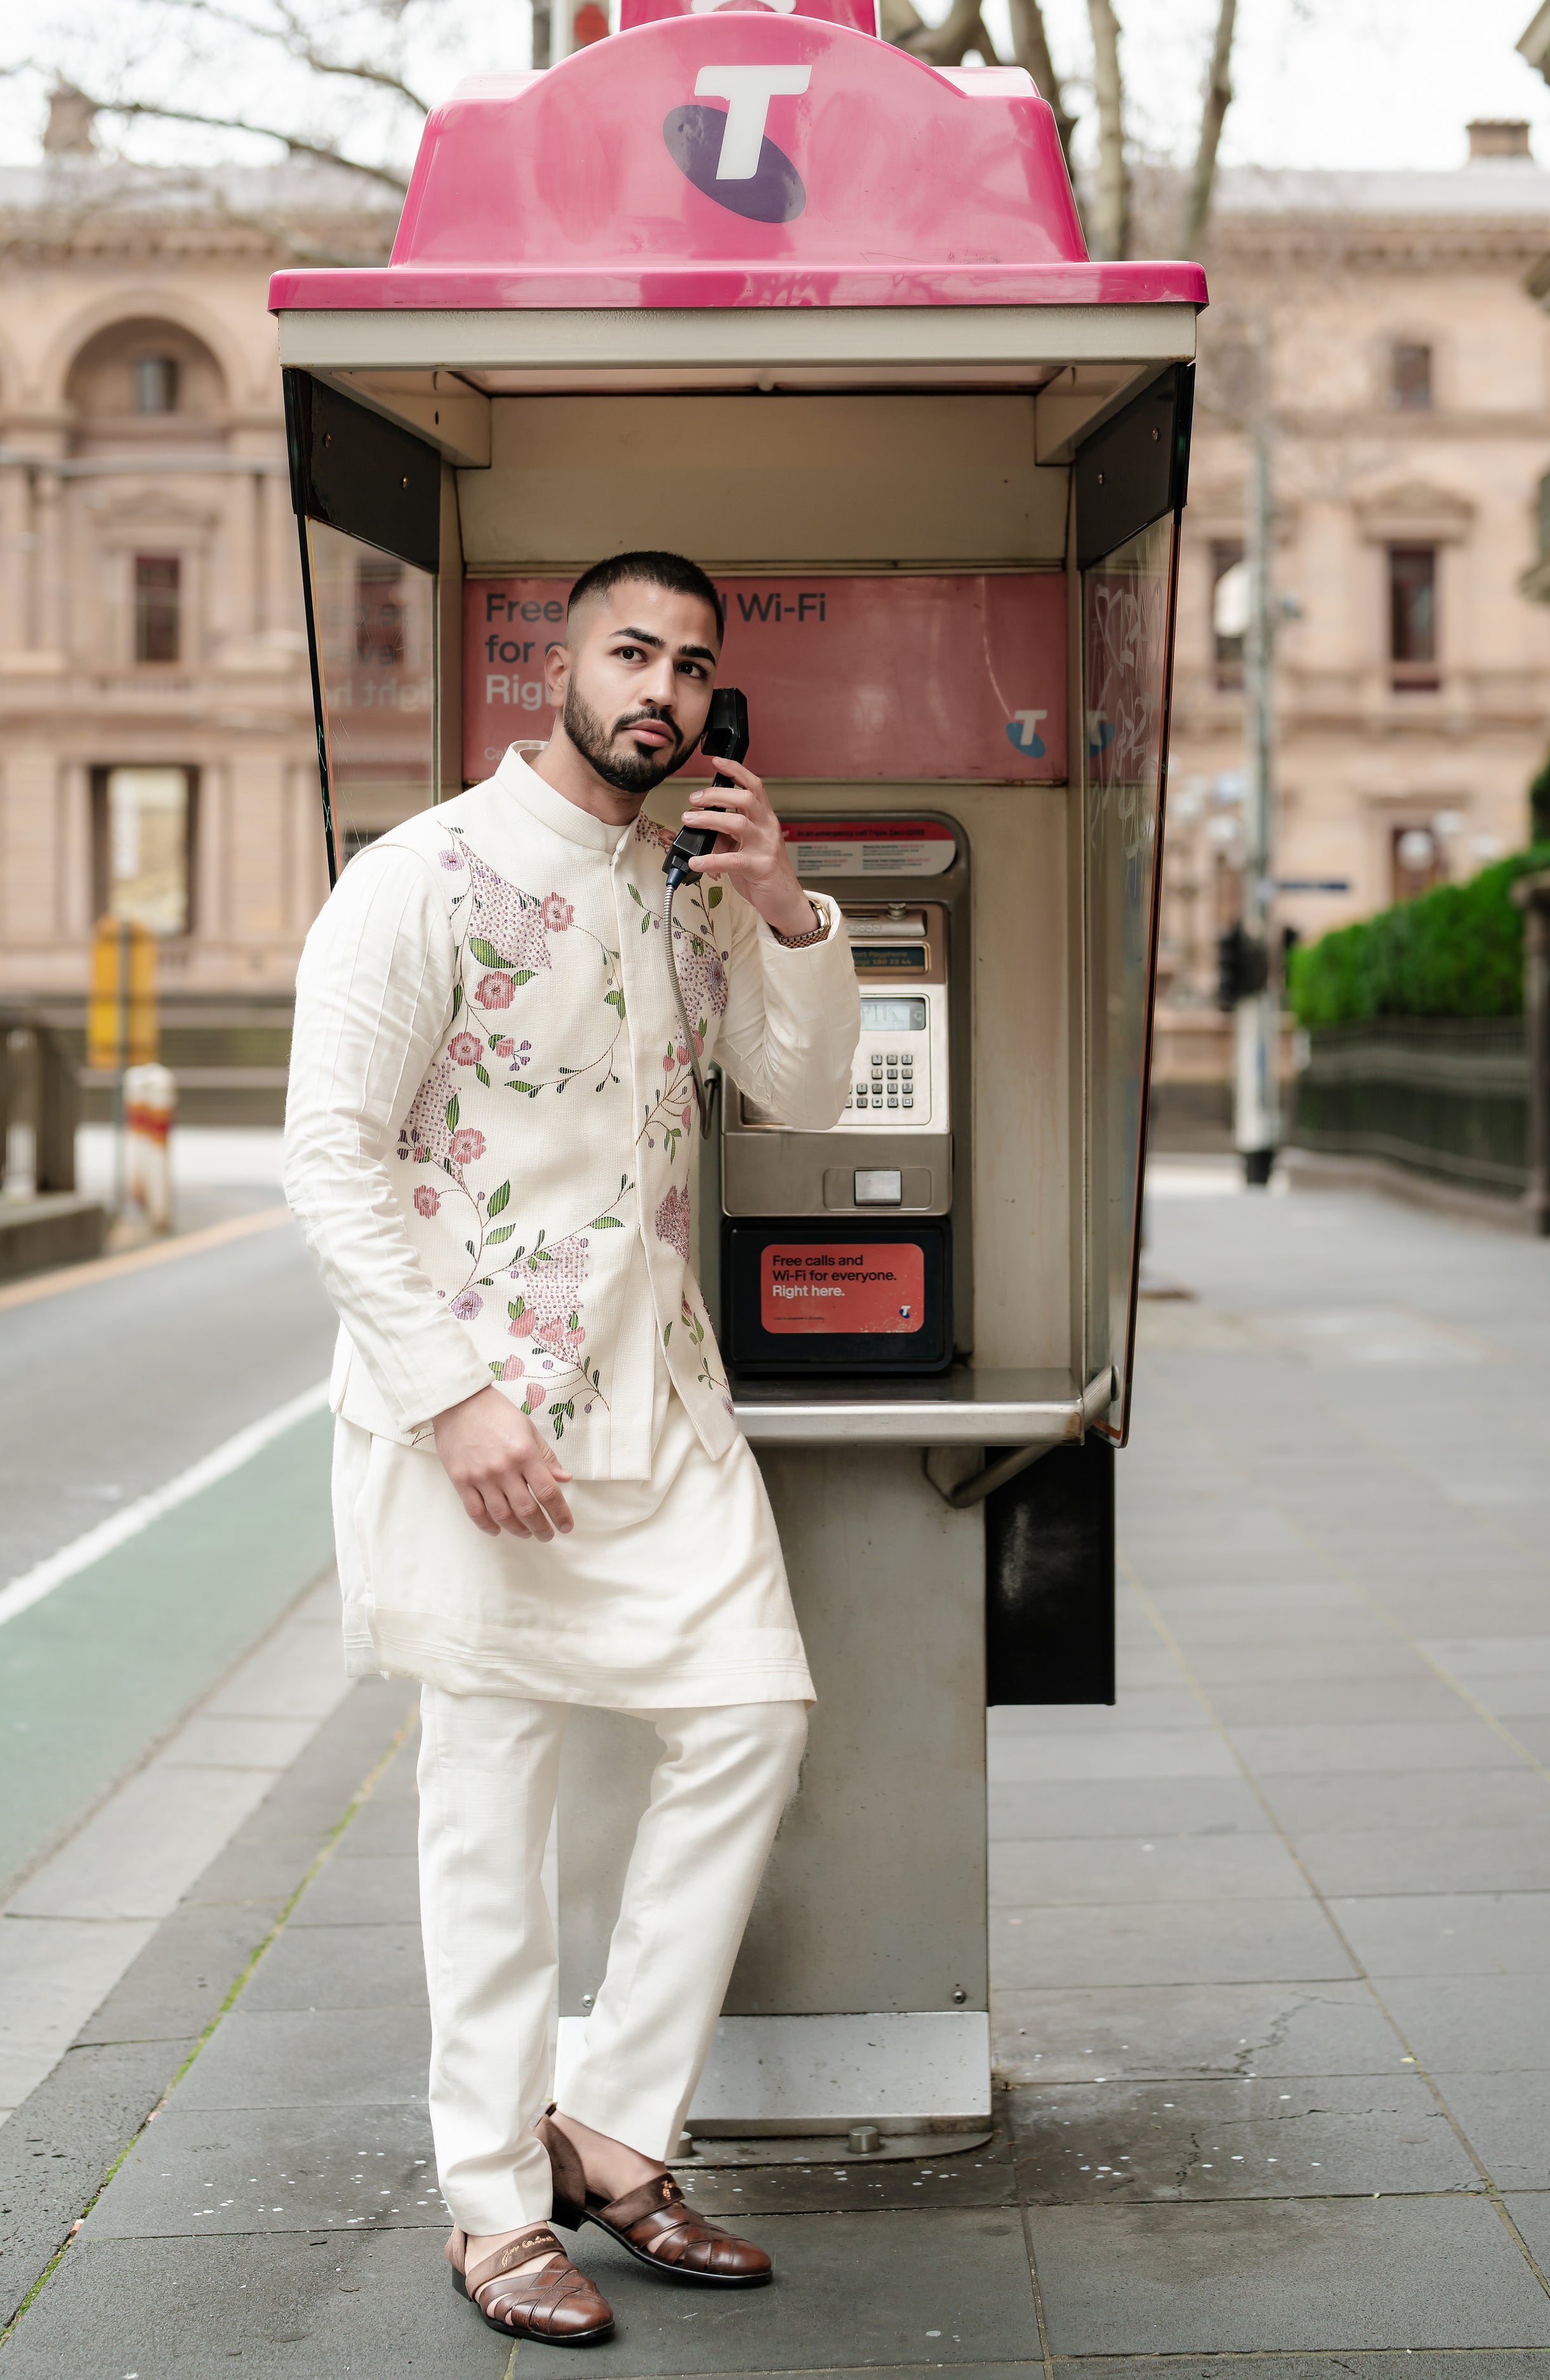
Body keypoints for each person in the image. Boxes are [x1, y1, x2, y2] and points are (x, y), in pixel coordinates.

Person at [284, 549, 859, 2348]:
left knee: (753, 1712)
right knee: (492, 1808)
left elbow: (806, 1092)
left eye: (692, 667)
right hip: (487, 1427)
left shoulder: (688, 893)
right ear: (557, 668)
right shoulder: (422, 880)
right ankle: (489, 2202)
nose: (663, 692)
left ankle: (607, 2124)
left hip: (662, 1406)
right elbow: (331, 1156)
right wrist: (452, 1394)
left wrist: (782, 910)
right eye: (633, 652)